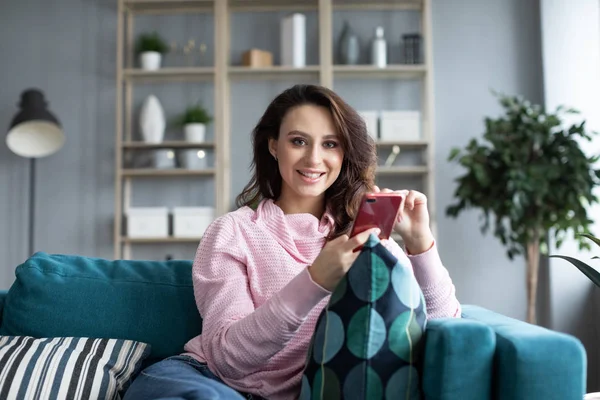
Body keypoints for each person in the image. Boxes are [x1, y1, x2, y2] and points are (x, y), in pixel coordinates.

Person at [124, 84, 461, 400]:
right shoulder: (232, 232)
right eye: (298, 141)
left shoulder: (363, 237)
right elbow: (228, 361)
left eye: (330, 144)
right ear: (273, 145)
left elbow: (447, 331)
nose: (314, 159)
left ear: (344, 153)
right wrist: (315, 281)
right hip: (208, 381)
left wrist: (420, 243)